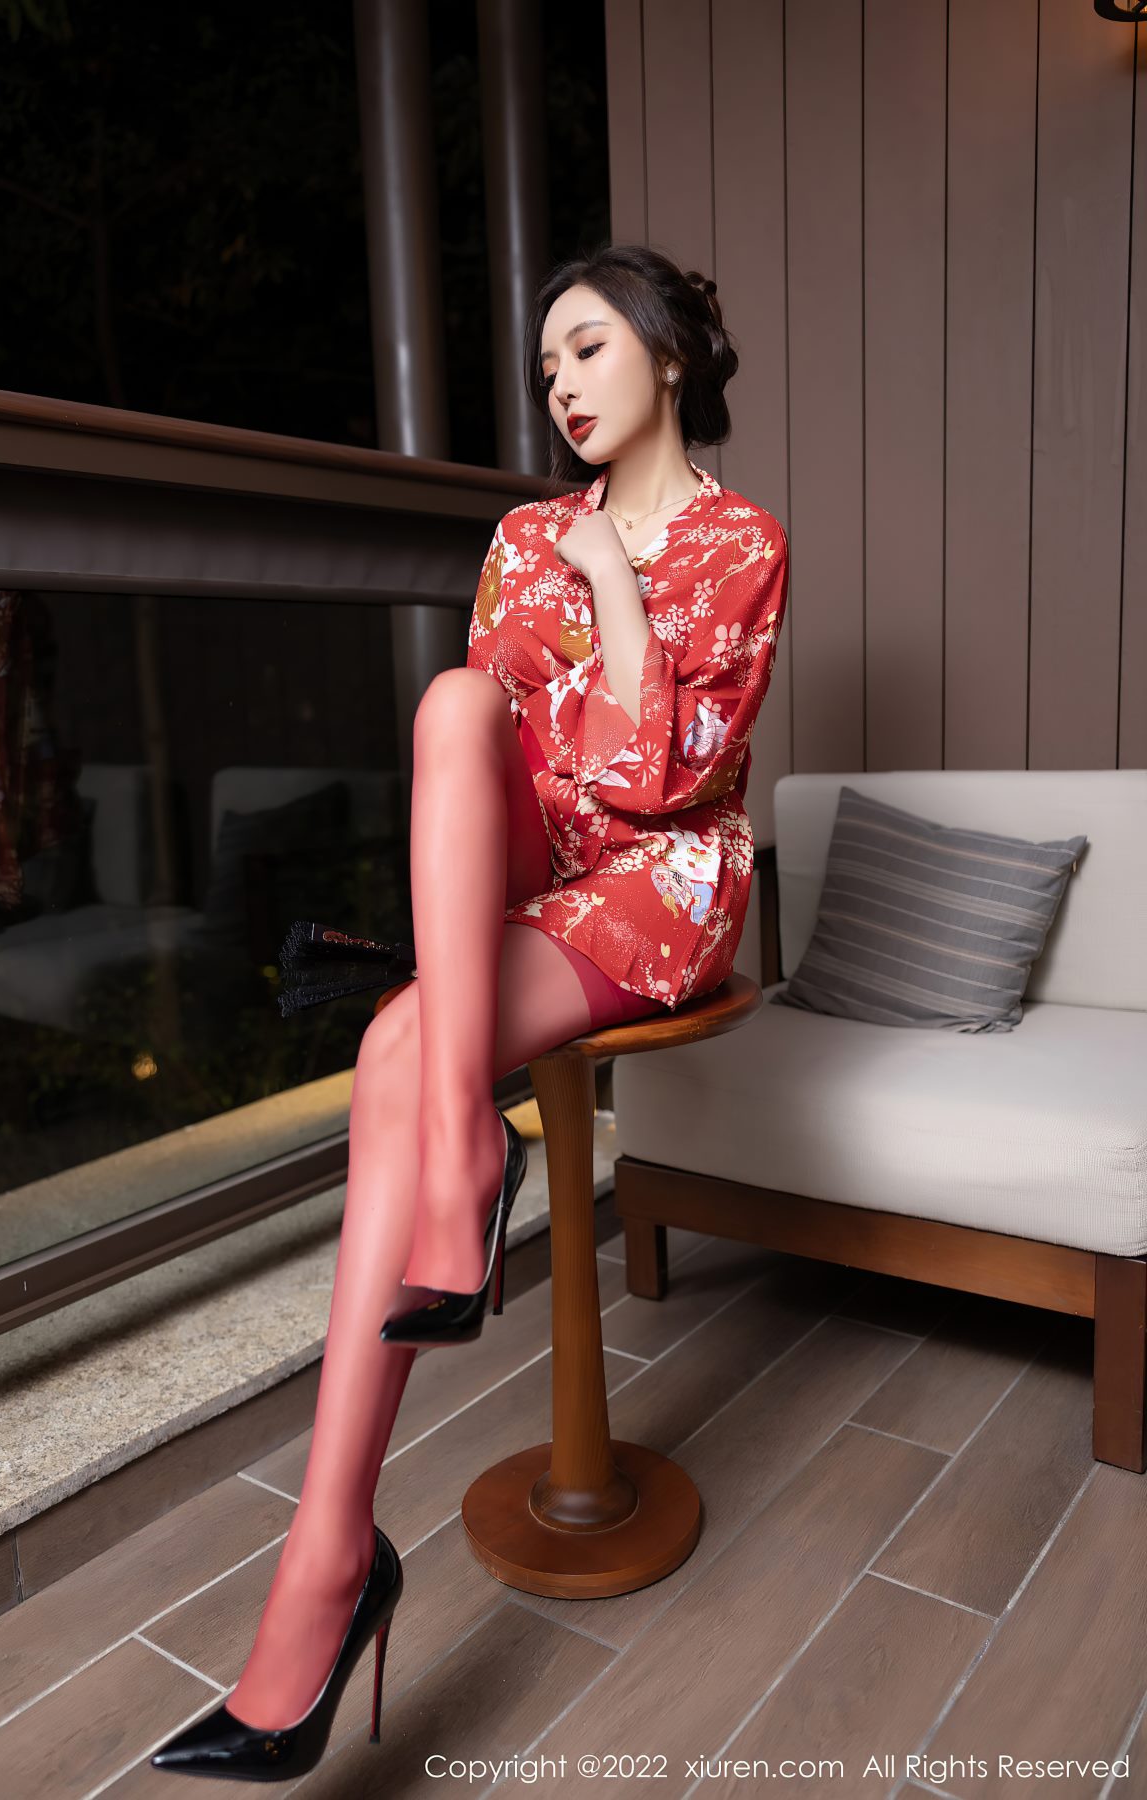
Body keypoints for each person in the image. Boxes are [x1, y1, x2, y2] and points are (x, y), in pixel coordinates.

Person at [150, 241, 790, 1781]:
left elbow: (655, 782)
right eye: (546, 362)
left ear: (670, 356)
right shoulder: (518, 534)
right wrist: (564, 572)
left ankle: (324, 1569)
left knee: (395, 1043)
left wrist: (616, 581)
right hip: (538, 870)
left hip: (665, 884)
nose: (560, 383)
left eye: (589, 347)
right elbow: (495, 762)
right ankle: (466, 1151)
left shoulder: (740, 544)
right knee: (448, 699)